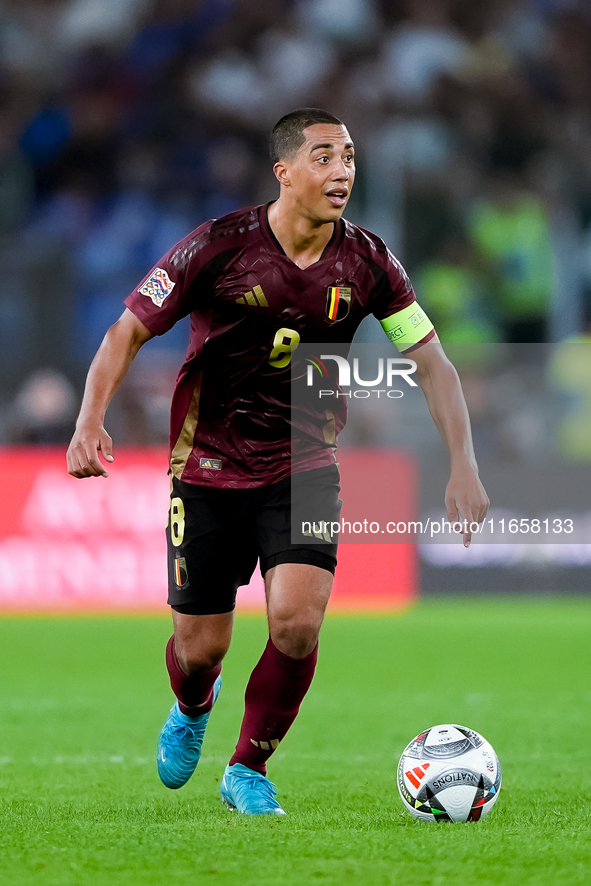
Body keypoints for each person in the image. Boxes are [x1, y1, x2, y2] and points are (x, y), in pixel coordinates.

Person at [66, 108, 489, 815]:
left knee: (296, 623)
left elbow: (434, 365)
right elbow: (126, 331)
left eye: (350, 156)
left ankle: (248, 767)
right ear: (284, 171)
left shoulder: (369, 261)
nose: (343, 171)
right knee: (199, 649)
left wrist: (463, 464)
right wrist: (88, 420)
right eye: (324, 156)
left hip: (303, 465)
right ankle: (194, 704)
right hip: (205, 465)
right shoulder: (217, 246)